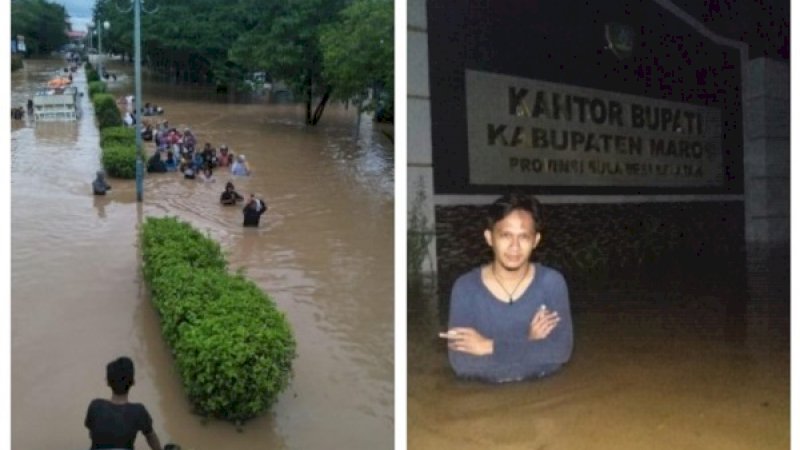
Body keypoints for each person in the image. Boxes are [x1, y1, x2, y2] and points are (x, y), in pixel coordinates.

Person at [441, 193, 573, 383]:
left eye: (524, 237)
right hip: (483, 399)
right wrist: (530, 344)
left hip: (540, 395)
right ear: (489, 238)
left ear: (535, 240)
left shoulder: (551, 283)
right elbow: (462, 365)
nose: (514, 247)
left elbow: (561, 352)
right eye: (506, 235)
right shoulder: (466, 288)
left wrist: (488, 346)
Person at [84, 357, 164, 450]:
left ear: (108, 382)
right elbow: (151, 437)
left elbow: (91, 433)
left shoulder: (95, 406)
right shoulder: (139, 411)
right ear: (133, 382)